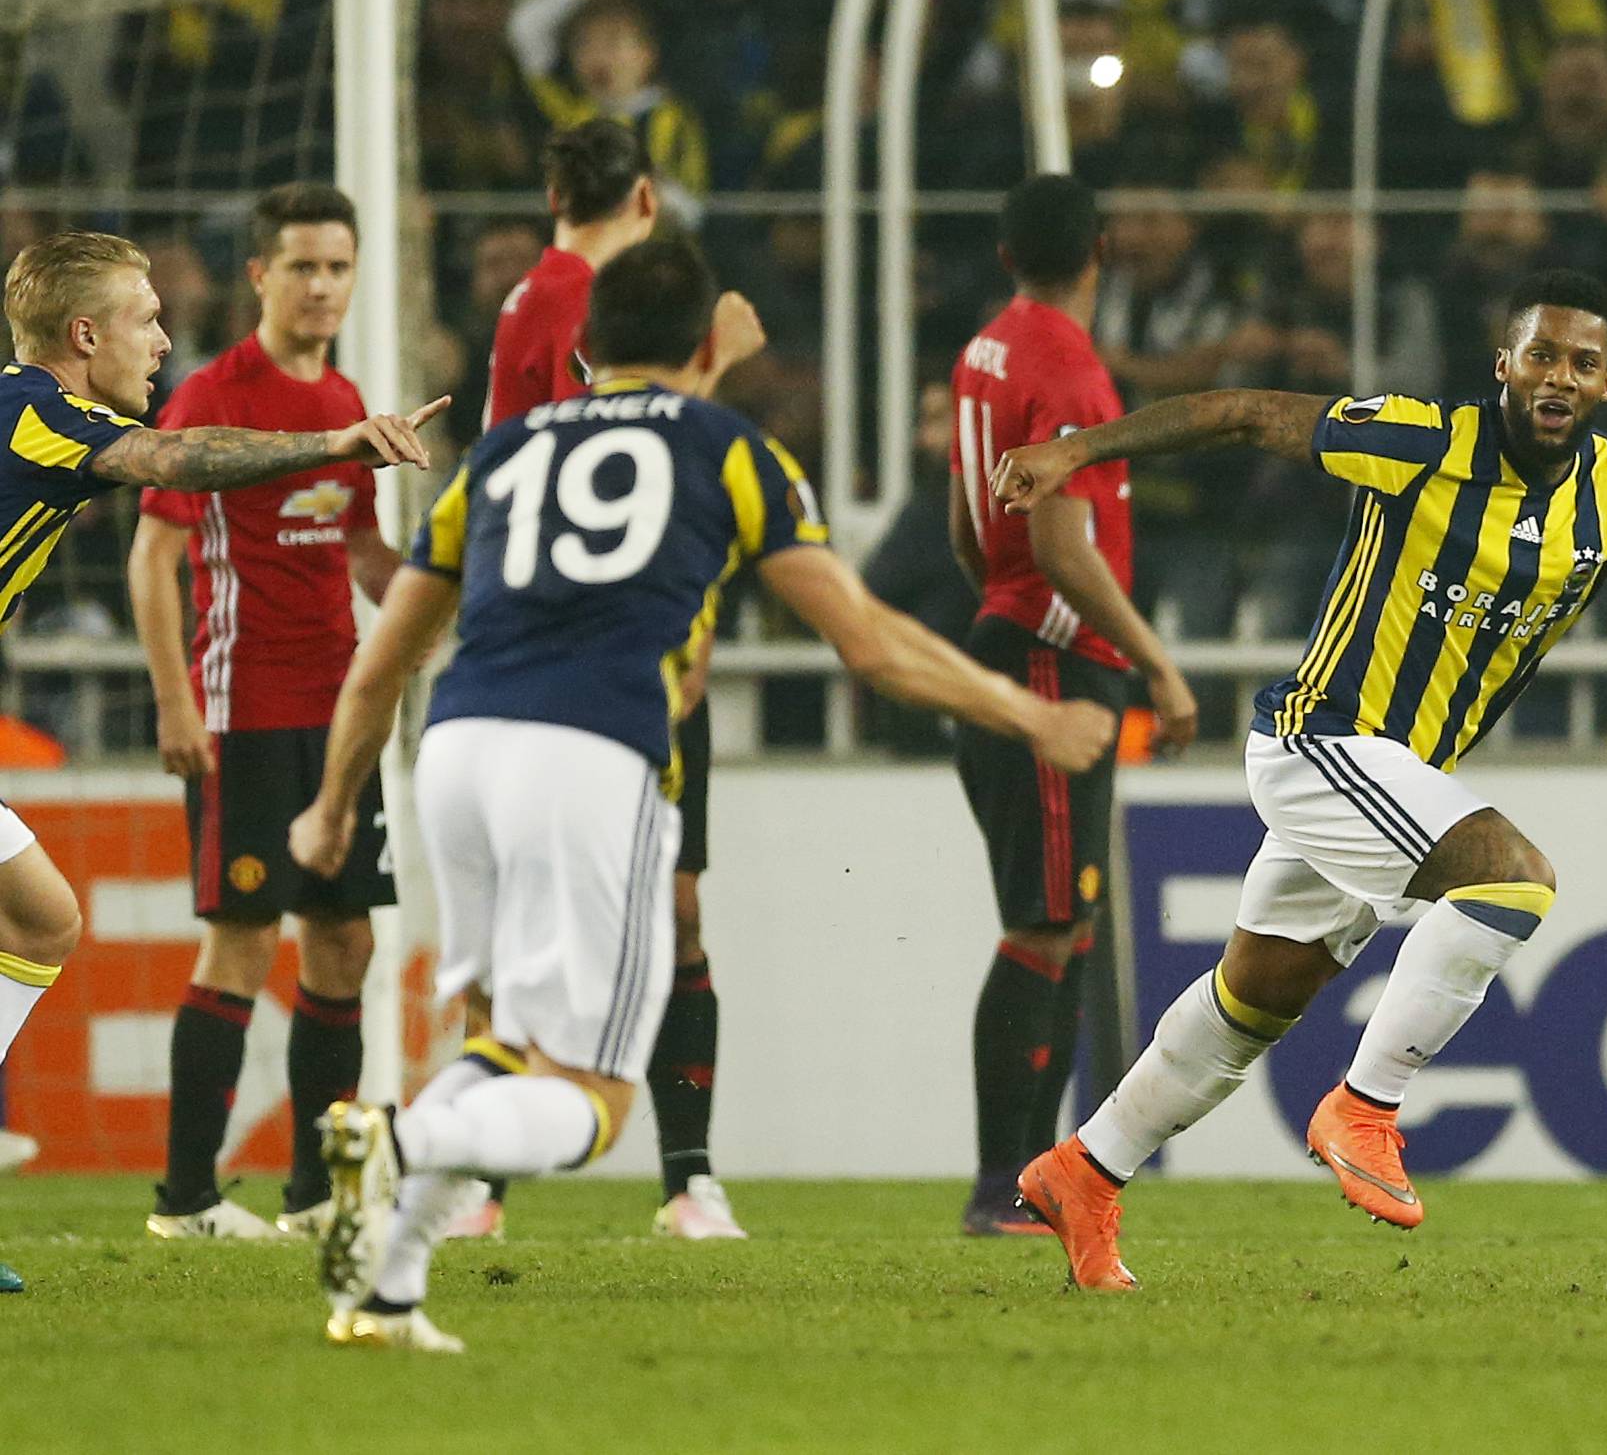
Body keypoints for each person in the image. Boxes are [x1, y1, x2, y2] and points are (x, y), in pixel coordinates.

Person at [286, 235, 1116, 1352]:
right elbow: (867, 642)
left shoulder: (505, 450)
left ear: (584, 346)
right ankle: (395, 1143)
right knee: (592, 1101)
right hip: (590, 760)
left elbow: (387, 655)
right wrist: (1032, 717)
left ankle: (386, 1292)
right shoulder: (732, 450)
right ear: (699, 347)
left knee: (504, 1047)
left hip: (457, 749)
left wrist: (336, 801)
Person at [992, 268, 1607, 1291]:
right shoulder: (1420, 437)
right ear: (1504, 365)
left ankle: (1083, 1172)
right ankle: (1365, 1105)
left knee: (1254, 1000)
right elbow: (1242, 413)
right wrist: (1077, 448)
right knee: (1511, 877)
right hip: (1321, 739)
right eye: (1540, 354)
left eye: (1582, 362)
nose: (1559, 375)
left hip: (1396, 777)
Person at [0, 229, 438, 1291]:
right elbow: (175, 463)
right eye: (145, 321)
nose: (161, 341)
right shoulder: (43, 416)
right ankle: (191, 1198)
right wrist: (336, 446)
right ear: (85, 333)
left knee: (46, 918)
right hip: (251, 706)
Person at [459, 116, 763, 1243]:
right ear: (645, 198)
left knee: (558, 919)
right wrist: (723, 359)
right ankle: (673, 1182)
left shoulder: (532, 298)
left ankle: (532, 1185)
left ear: (552, 195)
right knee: (666, 916)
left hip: (551, 653)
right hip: (608, 662)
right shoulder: (599, 307)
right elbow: (646, 448)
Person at [128, 185, 404, 1242]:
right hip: (241, 710)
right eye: (303, 266)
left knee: (344, 947)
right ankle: (187, 1201)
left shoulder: (343, 395)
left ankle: (308, 1199)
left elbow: (364, 553)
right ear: (259, 275)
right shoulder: (211, 394)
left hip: (340, 718)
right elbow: (154, 555)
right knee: (241, 945)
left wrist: (452, 588)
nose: (323, 285)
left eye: (338, 266)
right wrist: (174, 698)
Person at [948, 175, 1196, 1236]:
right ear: (1102, 249)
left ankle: (1032, 1176)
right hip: (1056, 660)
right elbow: (1059, 544)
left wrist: (994, 613)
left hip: (1012, 641)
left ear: (1006, 256)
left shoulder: (987, 350)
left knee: (1067, 918)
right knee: (1047, 928)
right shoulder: (1073, 373)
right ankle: (1002, 1183)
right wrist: (1157, 663)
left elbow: (973, 524)